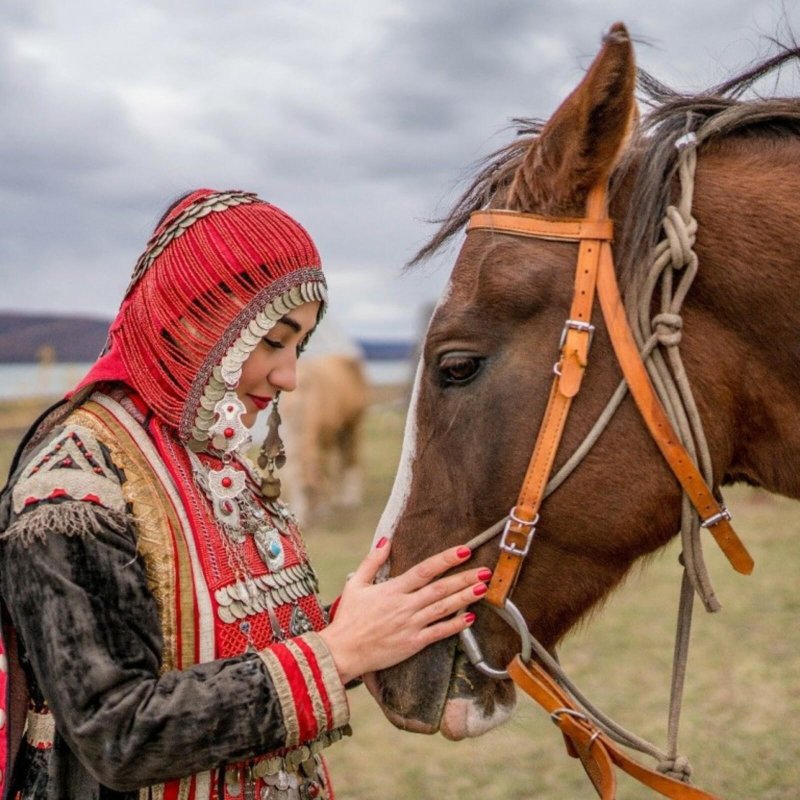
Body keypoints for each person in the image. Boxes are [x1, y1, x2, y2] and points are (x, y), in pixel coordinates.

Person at [0, 189, 489, 800]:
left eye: (300, 347)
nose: (288, 376)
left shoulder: (205, 454)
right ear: (194, 318)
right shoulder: (74, 485)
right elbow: (116, 733)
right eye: (273, 340)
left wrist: (373, 621)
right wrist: (336, 654)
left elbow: (234, 649)